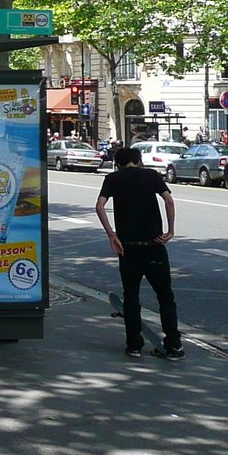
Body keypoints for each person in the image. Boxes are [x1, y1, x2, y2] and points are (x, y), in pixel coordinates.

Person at [95, 146, 185, 360]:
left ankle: (134, 344)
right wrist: (170, 230)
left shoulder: (113, 179)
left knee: (131, 296)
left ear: (118, 163)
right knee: (165, 296)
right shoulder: (152, 175)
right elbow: (169, 201)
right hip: (153, 245)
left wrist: (112, 235)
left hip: (127, 246)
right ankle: (173, 345)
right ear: (138, 160)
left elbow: (99, 206)